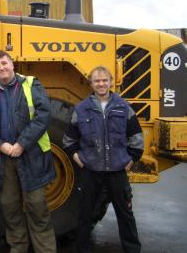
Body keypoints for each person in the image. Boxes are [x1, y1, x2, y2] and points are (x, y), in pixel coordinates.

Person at [0, 50, 57, 253]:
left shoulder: (31, 85)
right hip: (3, 160)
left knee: (38, 208)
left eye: (4, 63)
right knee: (10, 208)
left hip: (30, 156)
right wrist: (0, 145)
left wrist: (21, 144)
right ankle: (18, 248)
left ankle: (45, 250)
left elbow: (43, 114)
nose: (1, 67)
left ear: (12, 64)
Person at [63, 65, 143, 253]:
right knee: (84, 214)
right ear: (91, 84)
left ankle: (132, 249)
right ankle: (83, 249)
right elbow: (69, 139)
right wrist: (79, 159)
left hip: (117, 171)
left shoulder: (124, 107)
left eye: (104, 80)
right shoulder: (81, 109)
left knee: (125, 214)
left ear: (110, 82)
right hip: (91, 171)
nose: (101, 84)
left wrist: (131, 160)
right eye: (97, 81)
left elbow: (136, 138)